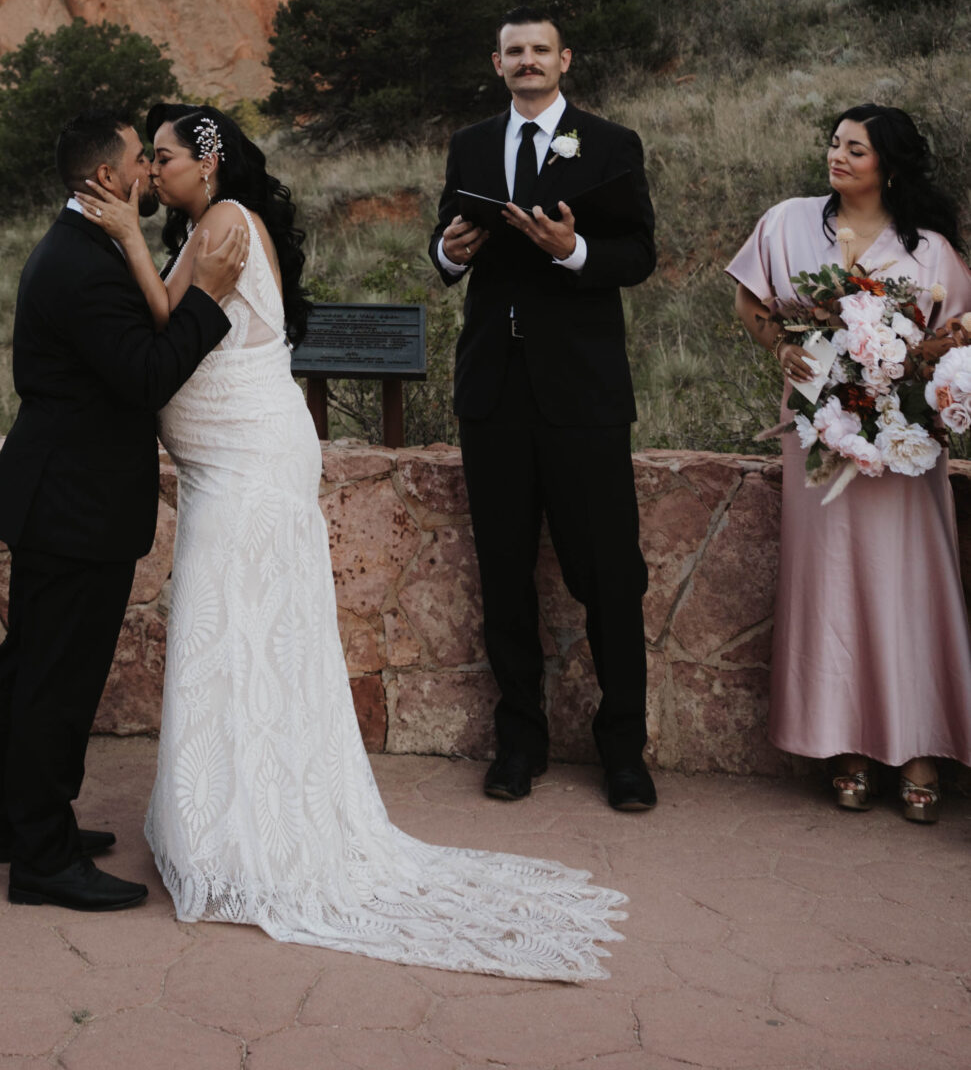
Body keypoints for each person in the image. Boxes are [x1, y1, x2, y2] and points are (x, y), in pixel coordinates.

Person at [77, 102, 624, 981]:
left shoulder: (218, 221)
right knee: (244, 633)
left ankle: (244, 841)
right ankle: (228, 817)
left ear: (206, 166)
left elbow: (162, 323)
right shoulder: (219, 217)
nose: (153, 174)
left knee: (239, 634)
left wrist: (129, 243)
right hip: (239, 456)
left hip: (245, 464)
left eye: (165, 158)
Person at [0, 109, 245, 912]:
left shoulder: (85, 248)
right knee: (54, 681)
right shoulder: (84, 265)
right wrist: (209, 297)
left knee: (33, 668)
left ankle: (18, 825)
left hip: (61, 492)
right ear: (108, 177)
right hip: (73, 502)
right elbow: (145, 376)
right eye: (141, 159)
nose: (150, 172)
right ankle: (42, 860)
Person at [429, 8, 658, 814]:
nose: (526, 61)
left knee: (608, 576)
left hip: (582, 396)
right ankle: (517, 742)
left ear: (565, 58)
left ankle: (623, 750)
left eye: (539, 50)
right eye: (512, 51)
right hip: (494, 393)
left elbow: (638, 252)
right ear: (496, 64)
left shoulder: (610, 144)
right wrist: (445, 256)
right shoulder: (467, 145)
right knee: (503, 576)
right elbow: (445, 238)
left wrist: (575, 253)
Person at [727, 103, 971, 821]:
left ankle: (919, 746)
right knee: (829, 585)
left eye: (854, 150)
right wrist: (780, 347)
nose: (836, 157)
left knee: (908, 585)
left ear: (888, 166)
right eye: (833, 144)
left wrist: (907, 359)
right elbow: (747, 299)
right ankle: (846, 746)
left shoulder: (926, 249)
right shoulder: (788, 221)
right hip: (816, 434)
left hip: (900, 440)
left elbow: (956, 332)